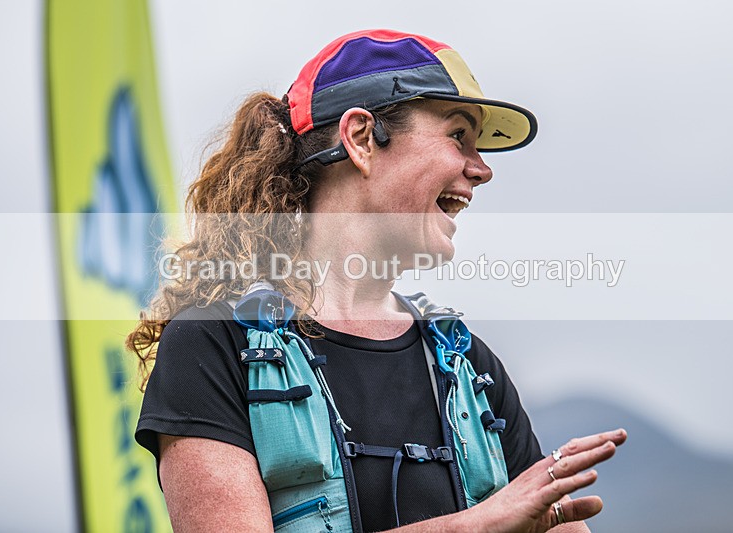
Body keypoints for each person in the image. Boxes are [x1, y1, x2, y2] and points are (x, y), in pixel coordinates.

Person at [129, 29, 628, 532]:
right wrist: (476, 526)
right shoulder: (213, 344)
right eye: (458, 136)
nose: (481, 170)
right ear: (362, 139)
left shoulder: (467, 367)